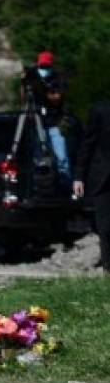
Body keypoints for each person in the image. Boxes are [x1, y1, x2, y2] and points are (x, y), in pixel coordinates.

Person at [75, 99, 110, 272]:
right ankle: (108, 270)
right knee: (105, 227)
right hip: (103, 178)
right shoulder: (101, 110)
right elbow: (87, 144)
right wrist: (78, 177)